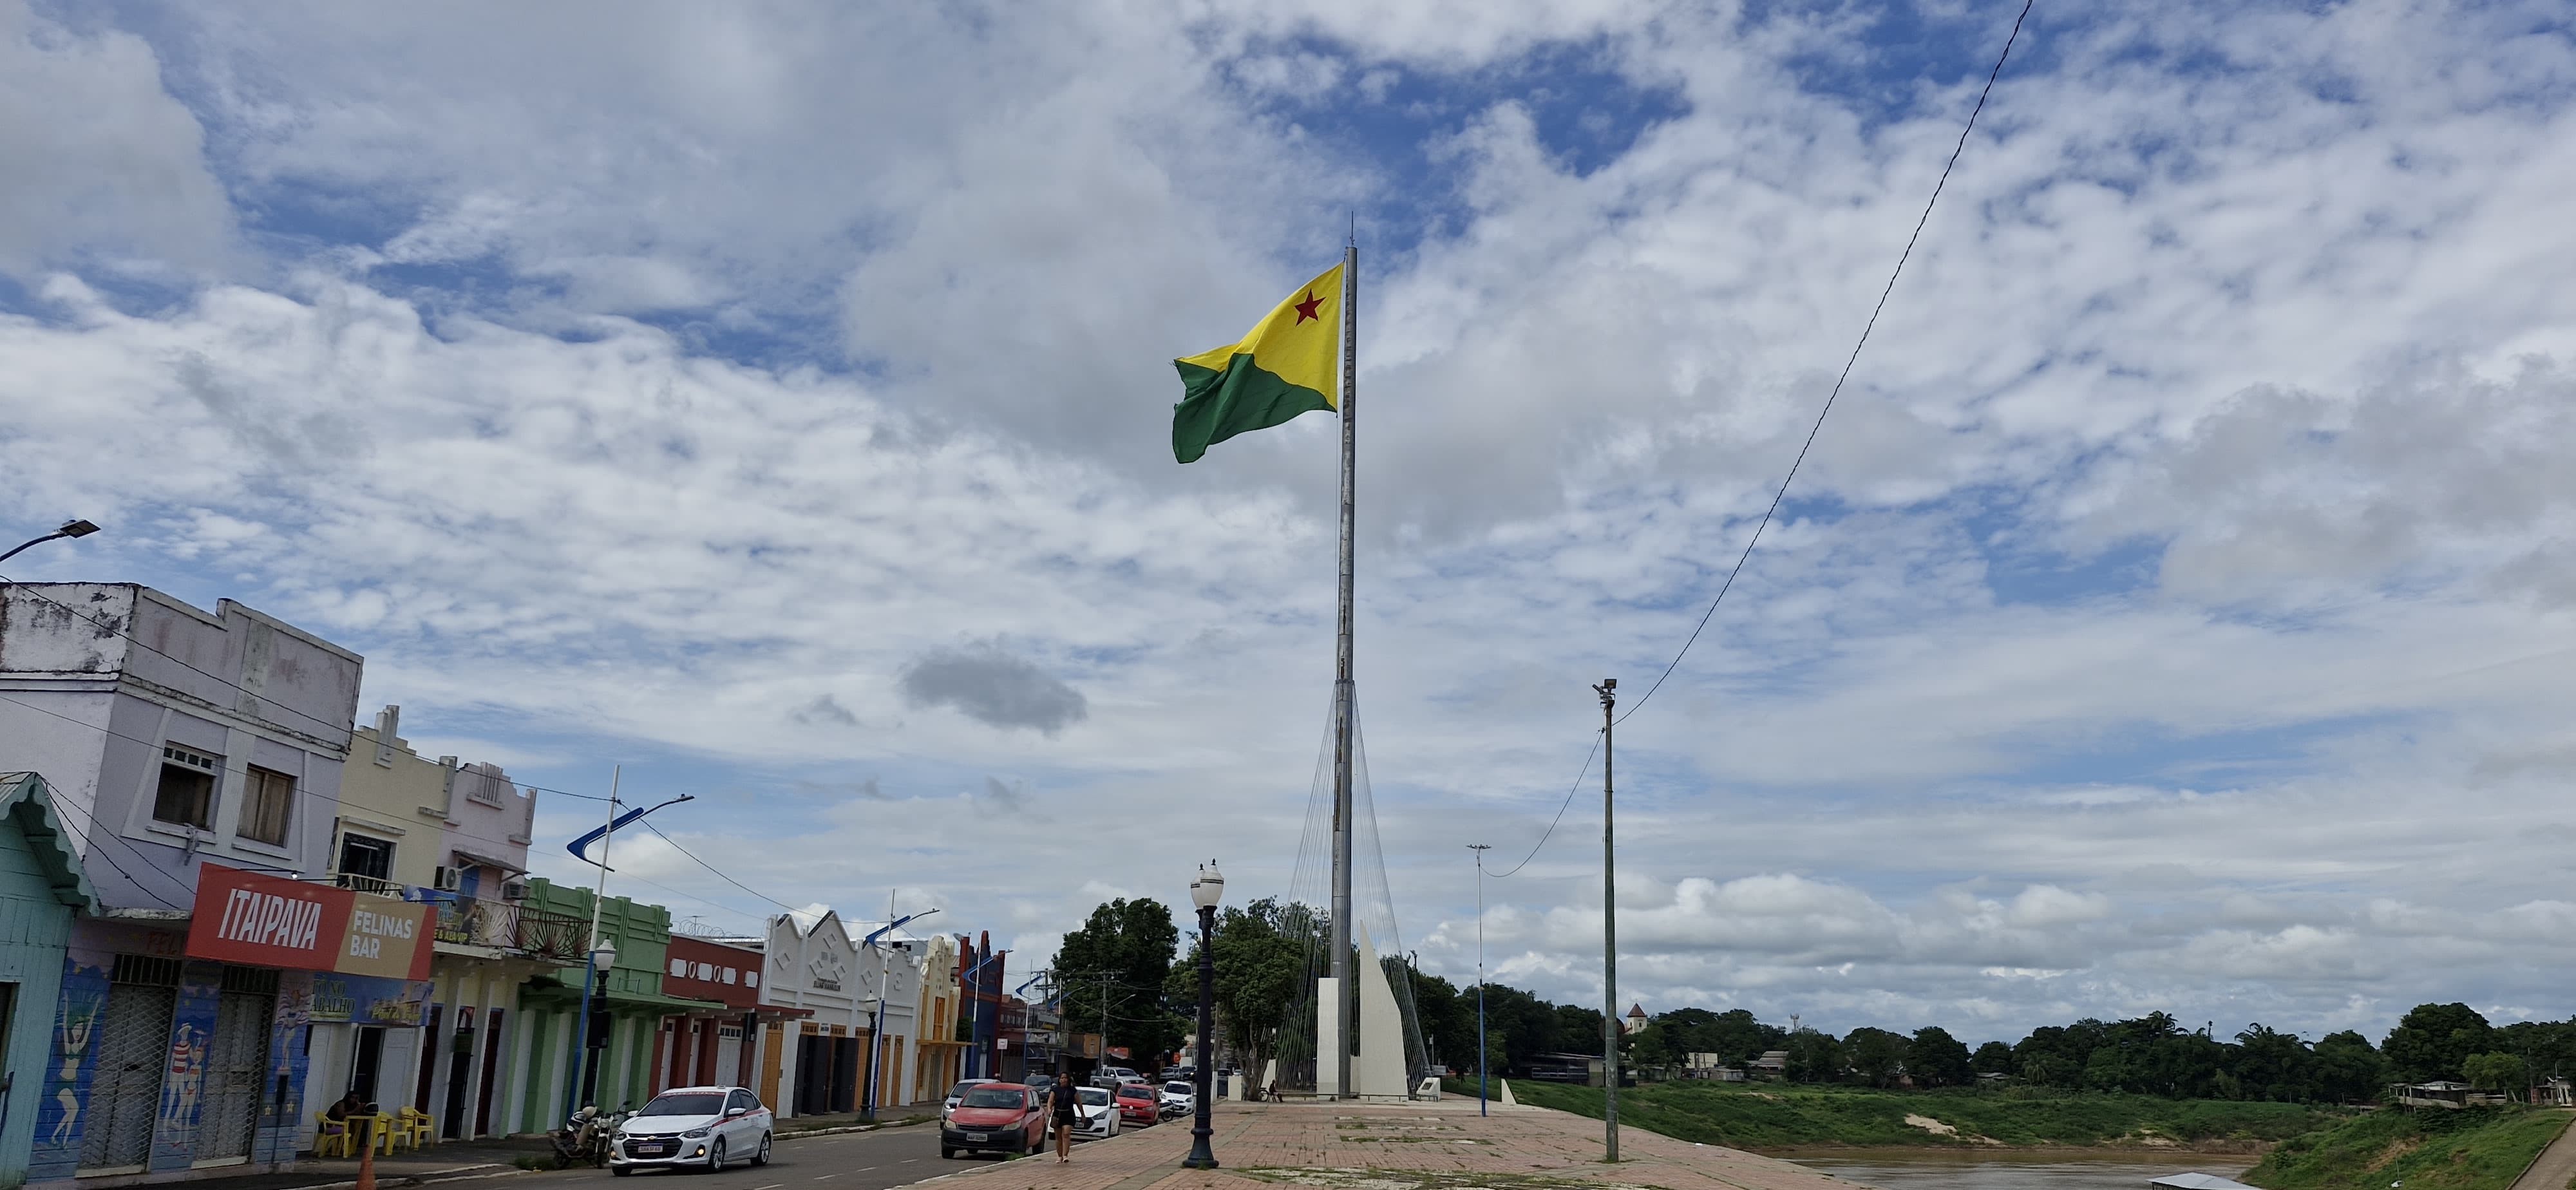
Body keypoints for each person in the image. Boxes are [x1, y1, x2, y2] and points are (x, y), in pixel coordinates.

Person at [1050, 1068, 1079, 1164]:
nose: (1063, 1080)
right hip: (1057, 1114)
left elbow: (1079, 1103)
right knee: (1058, 1137)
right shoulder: (1055, 1090)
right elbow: (1050, 1101)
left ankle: (1066, 1155)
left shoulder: (1073, 1090)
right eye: (1062, 1078)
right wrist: (1049, 1109)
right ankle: (1059, 1156)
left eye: (1065, 1078)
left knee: (1066, 1134)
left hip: (1069, 1114)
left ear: (1069, 1079)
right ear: (1059, 1080)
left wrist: (1083, 1114)